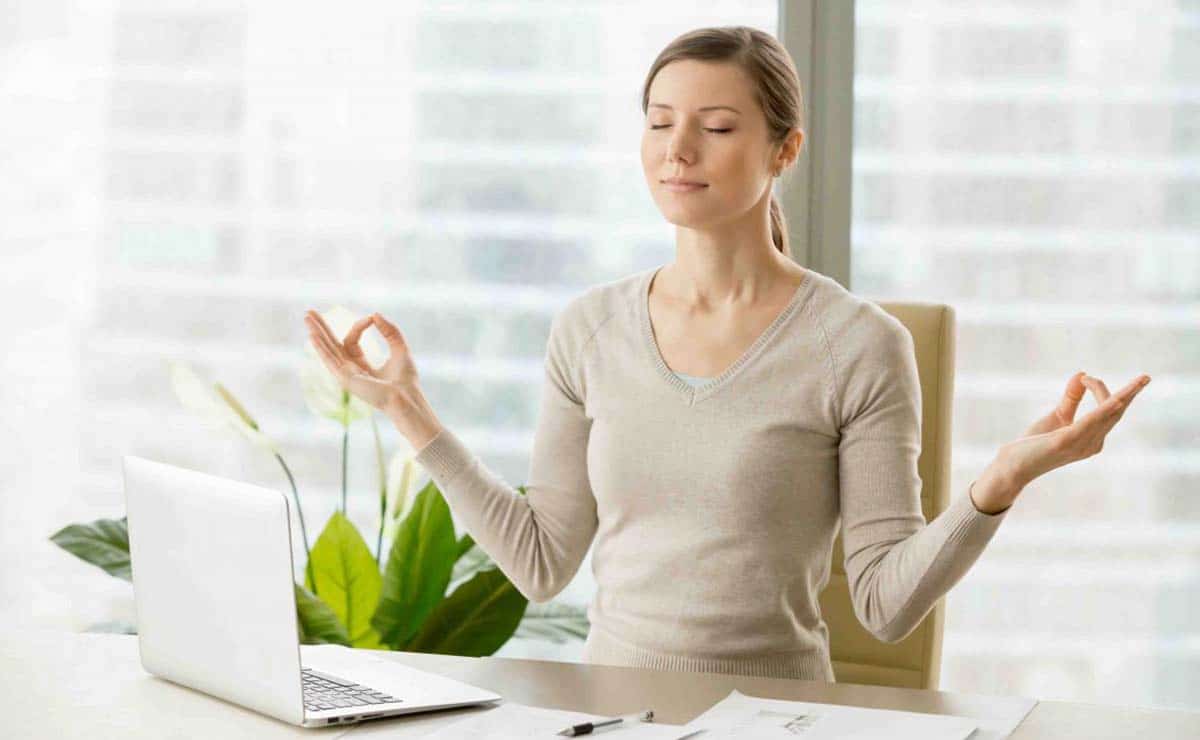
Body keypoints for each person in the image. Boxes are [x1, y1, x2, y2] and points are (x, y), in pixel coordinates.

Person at [302, 26, 1151, 681]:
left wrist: (1001, 480)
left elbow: (886, 607)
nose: (678, 151)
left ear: (785, 150)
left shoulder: (858, 346)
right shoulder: (589, 329)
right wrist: (404, 410)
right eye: (660, 123)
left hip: (777, 717)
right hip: (611, 715)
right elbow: (539, 564)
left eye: (714, 126)